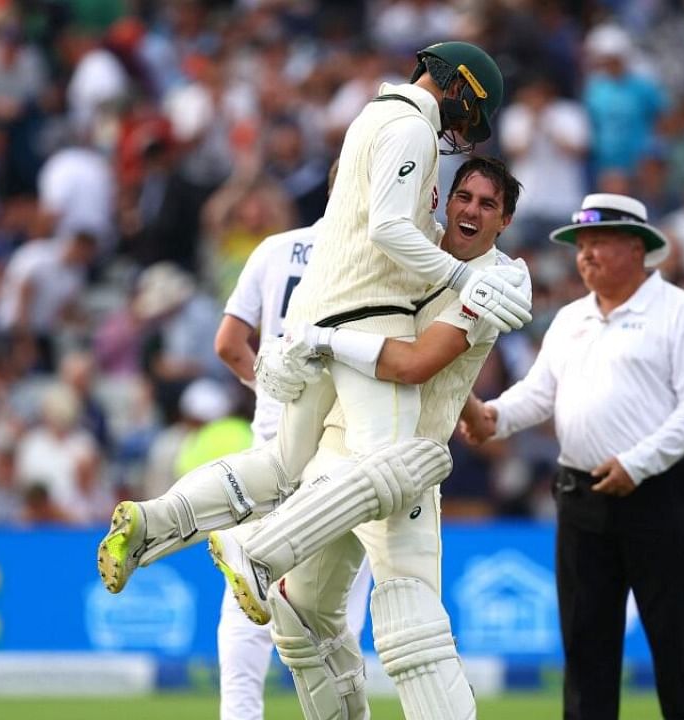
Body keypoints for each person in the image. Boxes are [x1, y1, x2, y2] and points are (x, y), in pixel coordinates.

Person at [95, 42, 527, 594]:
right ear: (461, 86)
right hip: (365, 316)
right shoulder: (413, 127)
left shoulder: (371, 117)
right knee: (389, 467)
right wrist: (466, 278)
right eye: (470, 112)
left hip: (318, 316)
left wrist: (465, 397)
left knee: (280, 466)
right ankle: (255, 550)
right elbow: (389, 231)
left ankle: (155, 518)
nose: (462, 128)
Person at [208, 156, 524, 720]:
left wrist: (321, 344)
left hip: (402, 467)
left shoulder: (492, 275)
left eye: (487, 204)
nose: (471, 210)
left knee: (412, 637)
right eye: (464, 198)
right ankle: (252, 555)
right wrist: (294, 368)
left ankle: (256, 550)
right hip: (333, 447)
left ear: (504, 220)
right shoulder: (399, 249)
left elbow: (416, 363)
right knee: (300, 620)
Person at [458, 193, 684, 720]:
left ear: (637, 248)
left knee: (678, 646)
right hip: (581, 496)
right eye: (582, 245)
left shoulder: (678, 313)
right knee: (585, 651)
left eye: (599, 243)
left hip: (659, 497)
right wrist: (492, 417)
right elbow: (539, 393)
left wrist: (638, 463)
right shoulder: (572, 318)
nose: (586, 255)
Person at [208, 161, 372, 720]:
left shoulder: (276, 250)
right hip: (347, 448)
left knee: (246, 589)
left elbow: (230, 343)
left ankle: (240, 714)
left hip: (274, 446)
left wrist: (274, 388)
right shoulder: (386, 257)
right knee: (338, 604)